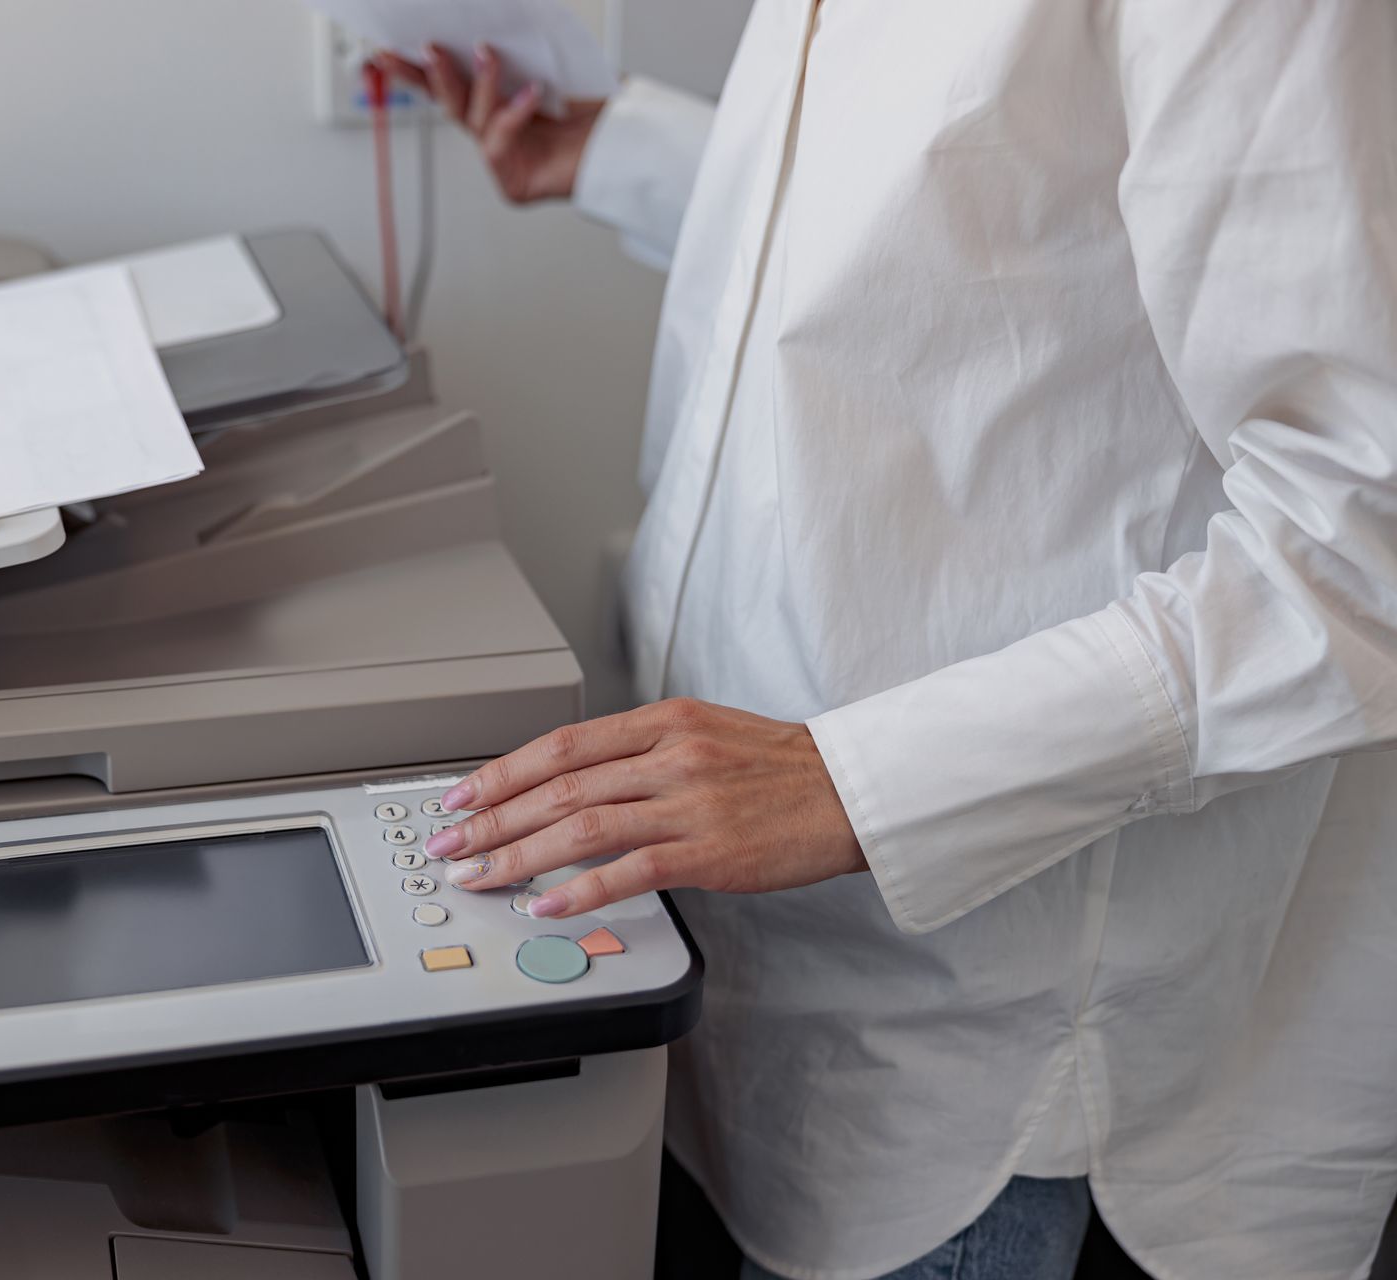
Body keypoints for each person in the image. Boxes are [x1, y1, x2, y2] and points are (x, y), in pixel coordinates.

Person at [377, 5, 1397, 1279]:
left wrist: (851, 783)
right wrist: (623, 151)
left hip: (996, 1043)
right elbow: (980, 241)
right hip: (760, 958)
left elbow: (1358, 546)